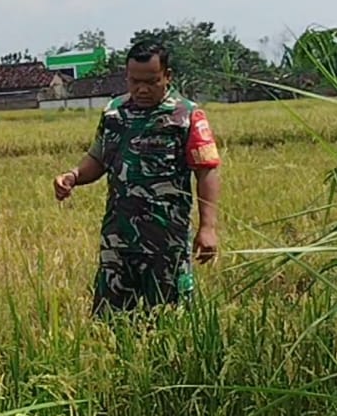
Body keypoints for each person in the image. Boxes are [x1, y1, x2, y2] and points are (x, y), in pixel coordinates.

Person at [53, 41, 223, 317]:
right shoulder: (114, 113)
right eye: (135, 81)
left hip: (166, 238)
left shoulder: (187, 115)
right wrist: (73, 176)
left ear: (168, 76)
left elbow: (207, 170)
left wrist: (208, 227)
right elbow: (98, 159)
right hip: (118, 238)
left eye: (152, 81)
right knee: (110, 318)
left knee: (169, 318)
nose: (142, 89)